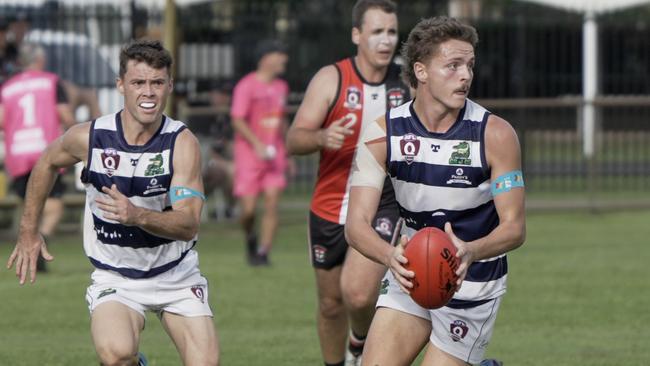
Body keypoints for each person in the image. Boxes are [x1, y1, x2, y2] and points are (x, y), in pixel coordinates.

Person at [6, 39, 219, 366]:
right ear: (121, 85)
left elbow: (188, 223)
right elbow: (46, 162)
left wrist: (136, 215)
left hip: (176, 275)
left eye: (157, 83)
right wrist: (28, 230)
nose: (148, 92)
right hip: (116, 277)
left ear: (169, 86)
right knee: (118, 356)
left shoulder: (181, 143)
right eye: (138, 83)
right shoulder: (90, 137)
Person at [344, 16, 526, 365]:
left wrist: (470, 251)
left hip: (474, 285)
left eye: (470, 65)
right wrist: (389, 257)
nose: (466, 75)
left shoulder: (496, 135)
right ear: (421, 71)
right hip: (411, 275)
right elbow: (356, 225)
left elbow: (515, 228)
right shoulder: (383, 134)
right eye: (453, 65)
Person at [286, 1, 410, 364]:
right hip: (328, 205)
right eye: (377, 32)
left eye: (391, 32)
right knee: (329, 304)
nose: (386, 41)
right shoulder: (332, 78)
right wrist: (322, 137)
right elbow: (295, 140)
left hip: (381, 204)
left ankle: (359, 343)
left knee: (357, 294)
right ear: (357, 35)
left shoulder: (407, 82)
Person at [0, 42, 75, 272]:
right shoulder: (51, 82)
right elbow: (65, 114)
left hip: (19, 153)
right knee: (54, 206)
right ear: (40, 60)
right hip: (45, 151)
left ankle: (32, 240)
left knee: (31, 205)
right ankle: (41, 237)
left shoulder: (7, 87)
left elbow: (2, 121)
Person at [230, 39, 290, 266]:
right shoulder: (246, 86)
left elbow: (282, 118)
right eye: (280, 55)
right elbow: (237, 119)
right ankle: (250, 238)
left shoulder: (281, 86)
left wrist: (287, 149)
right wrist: (256, 144)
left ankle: (264, 252)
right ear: (267, 58)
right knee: (248, 210)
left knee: (273, 203)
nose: (284, 60)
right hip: (249, 156)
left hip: (275, 156)